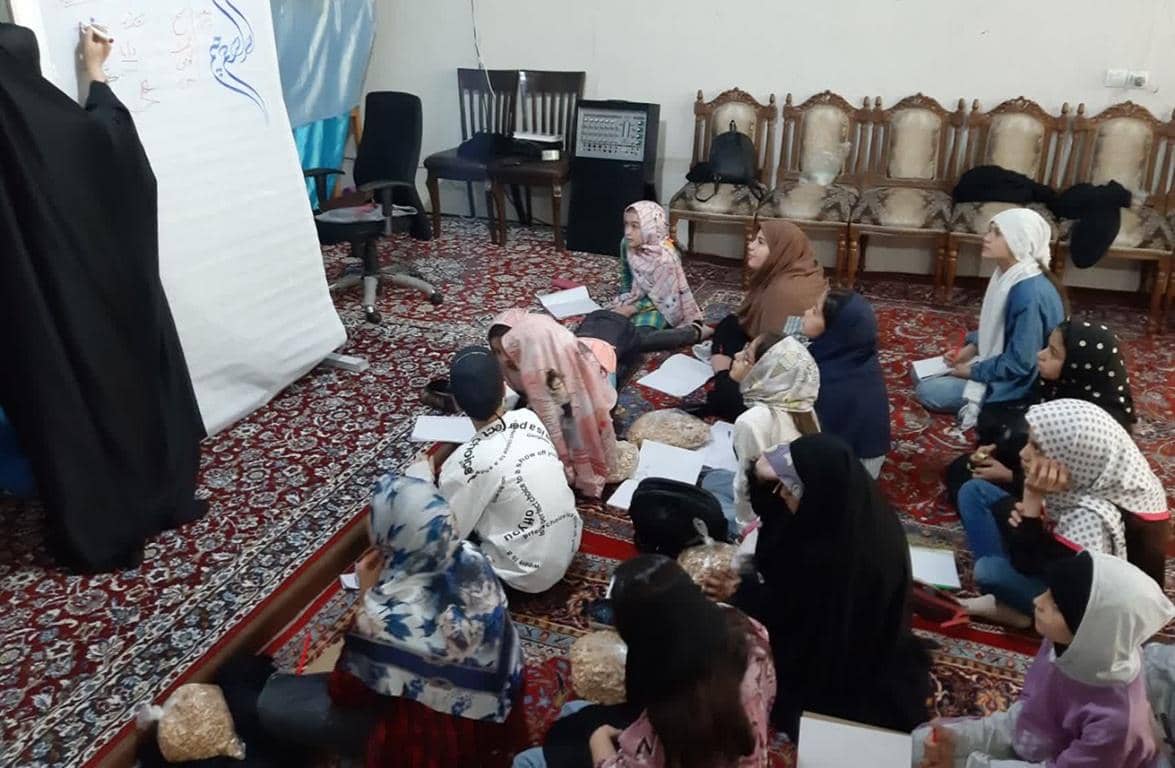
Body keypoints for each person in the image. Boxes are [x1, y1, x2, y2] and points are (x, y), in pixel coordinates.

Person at [0, 24, 206, 570]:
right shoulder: (58, 133)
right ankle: (150, 494)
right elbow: (112, 147)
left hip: (30, 317)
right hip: (106, 305)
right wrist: (95, 74)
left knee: (56, 400)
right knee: (121, 389)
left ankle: (89, 514)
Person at [258, 474, 527, 768]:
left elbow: (345, 692)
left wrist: (367, 598)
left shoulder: (383, 617)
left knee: (271, 702)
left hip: (430, 750)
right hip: (498, 732)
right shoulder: (473, 558)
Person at [703, 435, 930, 740]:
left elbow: (804, 622)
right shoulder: (841, 505)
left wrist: (742, 595)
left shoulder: (851, 561)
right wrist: (763, 473)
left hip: (836, 656)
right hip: (815, 617)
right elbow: (772, 516)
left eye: (791, 487)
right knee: (718, 483)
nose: (782, 493)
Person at [914, 551, 1175, 768]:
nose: (1038, 601)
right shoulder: (1062, 643)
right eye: (1047, 592)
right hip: (1043, 747)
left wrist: (966, 764)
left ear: (1093, 630)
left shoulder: (1117, 723)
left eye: (1057, 605)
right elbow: (1029, 713)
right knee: (917, 746)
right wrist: (958, 739)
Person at [516, 555, 775, 768]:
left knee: (527, 761)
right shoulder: (748, 628)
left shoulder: (680, 711)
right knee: (574, 712)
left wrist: (600, 737)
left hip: (684, 751)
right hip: (741, 742)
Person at [956, 398, 1168, 628]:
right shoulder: (1106, 472)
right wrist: (1034, 516)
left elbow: (1030, 565)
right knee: (975, 491)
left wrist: (1031, 507)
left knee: (989, 571)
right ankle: (1008, 602)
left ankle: (1018, 611)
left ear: (1073, 456)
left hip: (1073, 606)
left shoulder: (1092, 519)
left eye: (1037, 447)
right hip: (1055, 553)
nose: (1024, 453)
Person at [408, 347, 581, 593]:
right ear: (504, 390)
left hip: (521, 577)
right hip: (568, 545)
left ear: (456, 402)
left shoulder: (462, 463)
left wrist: (421, 480)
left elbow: (446, 536)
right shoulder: (530, 419)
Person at [944, 318, 1136, 506]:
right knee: (969, 463)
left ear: (1078, 365)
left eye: (1053, 353)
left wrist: (1010, 476)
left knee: (972, 489)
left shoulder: (1093, 426)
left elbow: (1072, 488)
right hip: (1039, 476)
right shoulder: (1064, 388)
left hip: (1067, 502)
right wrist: (996, 450)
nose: (1040, 355)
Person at [914, 209, 1065, 429]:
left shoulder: (1029, 293)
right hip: (1002, 361)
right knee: (918, 374)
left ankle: (992, 405)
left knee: (928, 391)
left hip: (1020, 385)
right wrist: (971, 349)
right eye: (989, 231)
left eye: (997, 233)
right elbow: (998, 327)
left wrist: (972, 371)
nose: (986, 238)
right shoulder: (1011, 274)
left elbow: (1022, 363)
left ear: (1020, 241)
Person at [488, 311, 619, 498]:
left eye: (507, 351)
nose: (504, 359)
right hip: (569, 350)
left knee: (612, 329)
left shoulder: (551, 366)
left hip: (599, 355)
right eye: (497, 352)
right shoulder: (522, 356)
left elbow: (570, 419)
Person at [723, 335, 821, 531]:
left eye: (747, 357)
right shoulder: (803, 406)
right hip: (798, 505)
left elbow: (744, 487)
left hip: (767, 518)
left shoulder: (752, 421)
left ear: (763, 373)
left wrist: (745, 531)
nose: (736, 355)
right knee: (714, 479)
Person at [708, 220, 826, 372]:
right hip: (792, 351)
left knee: (727, 331)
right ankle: (704, 331)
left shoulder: (784, 291)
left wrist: (726, 368)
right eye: (754, 240)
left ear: (781, 250)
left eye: (761, 242)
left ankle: (720, 365)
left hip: (783, 364)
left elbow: (774, 355)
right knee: (731, 323)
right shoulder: (805, 270)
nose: (750, 246)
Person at [803, 288, 891, 478]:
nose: (806, 313)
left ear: (835, 328)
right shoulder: (856, 356)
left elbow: (810, 439)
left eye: (815, 312)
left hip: (850, 473)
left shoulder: (827, 380)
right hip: (860, 457)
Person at [608, 201, 709, 350]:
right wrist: (624, 300)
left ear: (650, 227)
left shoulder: (665, 257)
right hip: (634, 300)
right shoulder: (626, 244)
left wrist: (632, 309)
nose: (628, 232)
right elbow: (626, 276)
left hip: (660, 307)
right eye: (626, 224)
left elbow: (666, 297)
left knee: (638, 340)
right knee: (609, 331)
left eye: (635, 226)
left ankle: (693, 333)